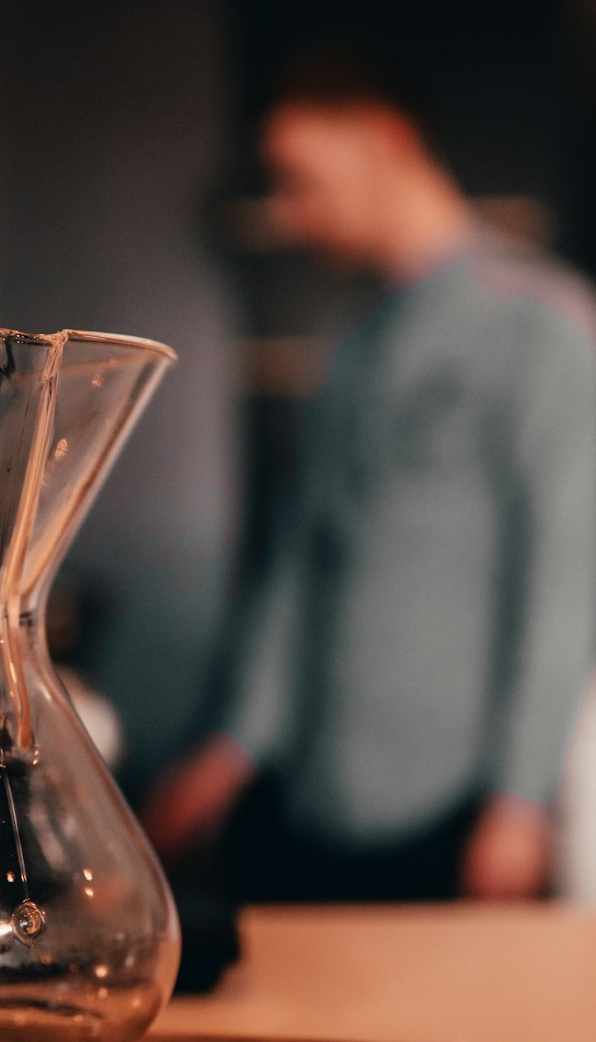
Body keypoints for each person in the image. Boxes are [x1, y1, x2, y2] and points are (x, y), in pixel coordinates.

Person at [144, 45, 596, 905]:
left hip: (459, 807)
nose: (290, 211)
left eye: (299, 177)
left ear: (385, 140)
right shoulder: (350, 345)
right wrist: (231, 746)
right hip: (313, 796)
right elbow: (304, 562)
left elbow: (567, 571)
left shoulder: (545, 325)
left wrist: (523, 801)